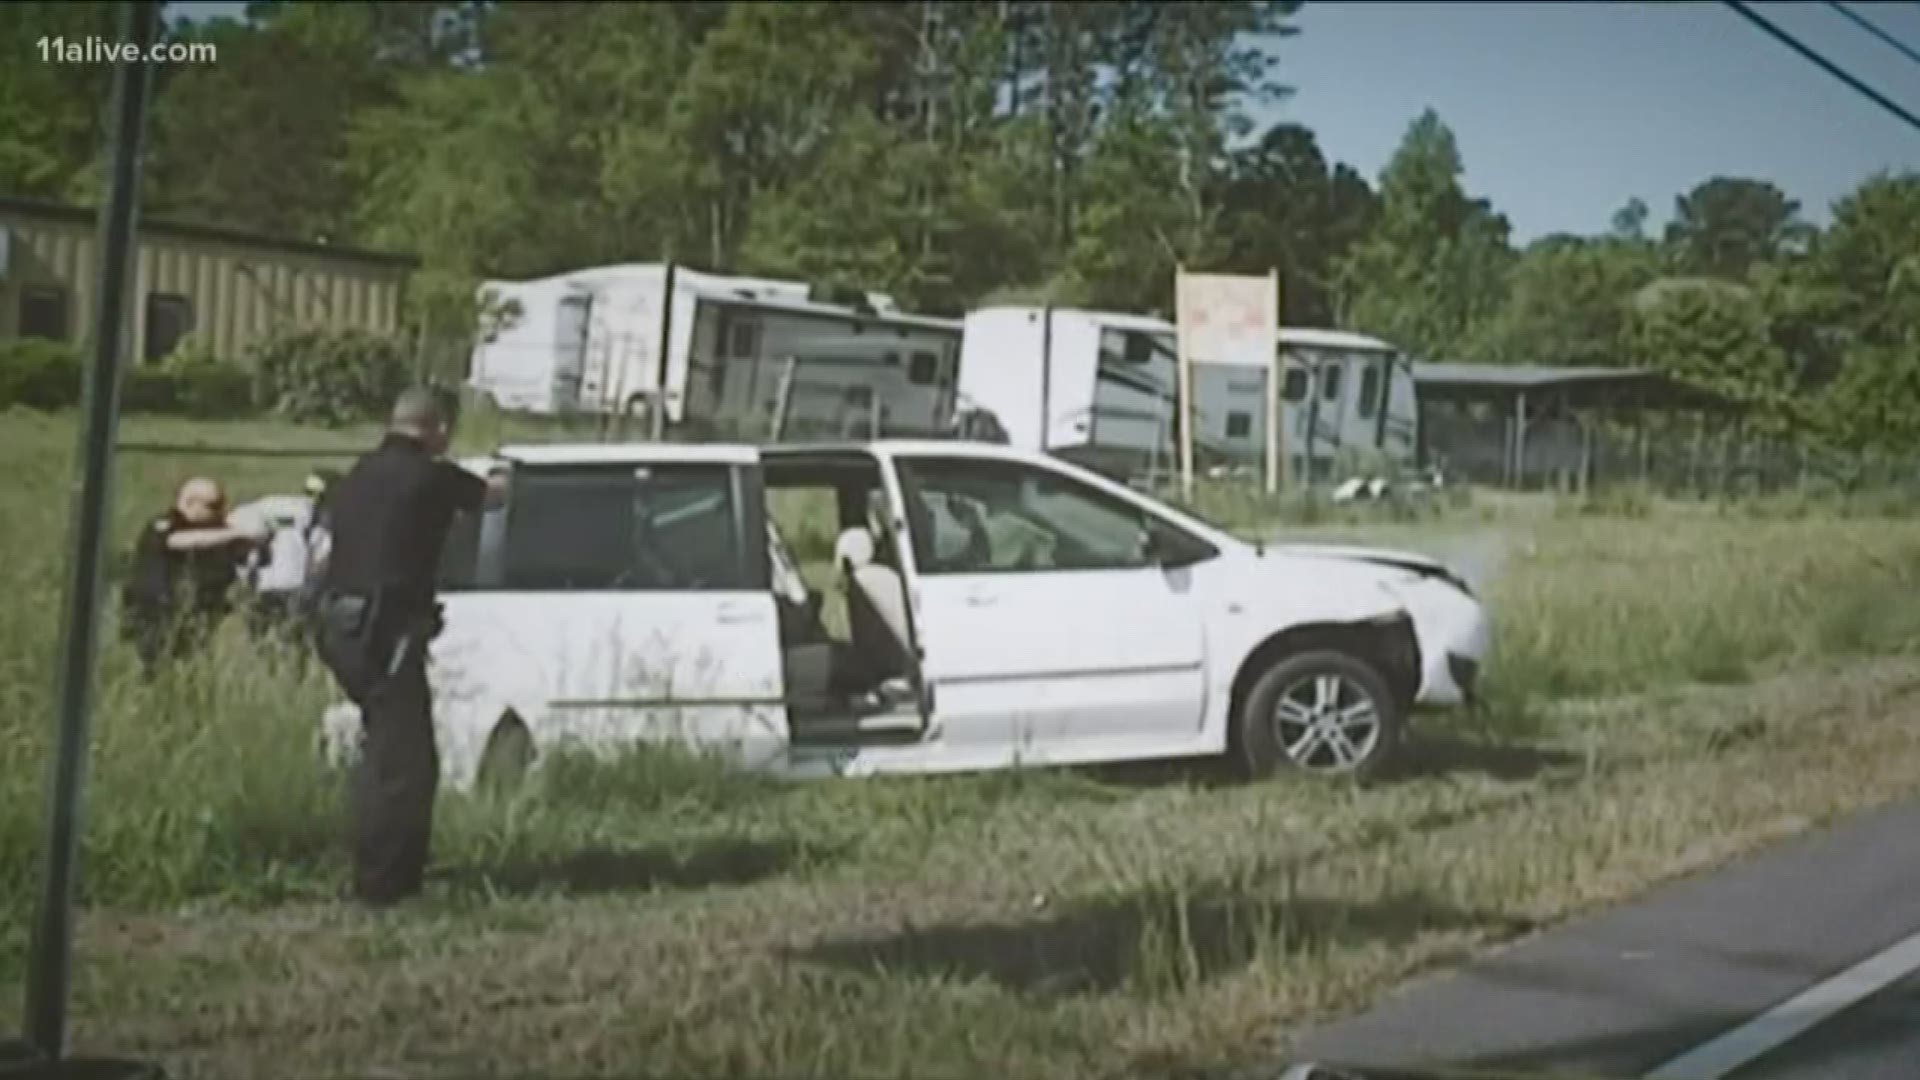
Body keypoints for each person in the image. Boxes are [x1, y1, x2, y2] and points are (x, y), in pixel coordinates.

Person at [313, 388, 503, 907]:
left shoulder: (358, 473)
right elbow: (491, 495)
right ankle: (383, 886)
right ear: (437, 427)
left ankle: (380, 871)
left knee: (386, 748)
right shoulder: (432, 475)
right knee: (403, 762)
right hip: (385, 628)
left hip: (338, 625)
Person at [120, 477, 267, 678]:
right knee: (155, 670)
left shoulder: (217, 532)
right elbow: (179, 541)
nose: (221, 512)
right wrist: (235, 533)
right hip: (156, 614)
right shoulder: (165, 523)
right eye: (213, 506)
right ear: (190, 503)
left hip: (195, 617)